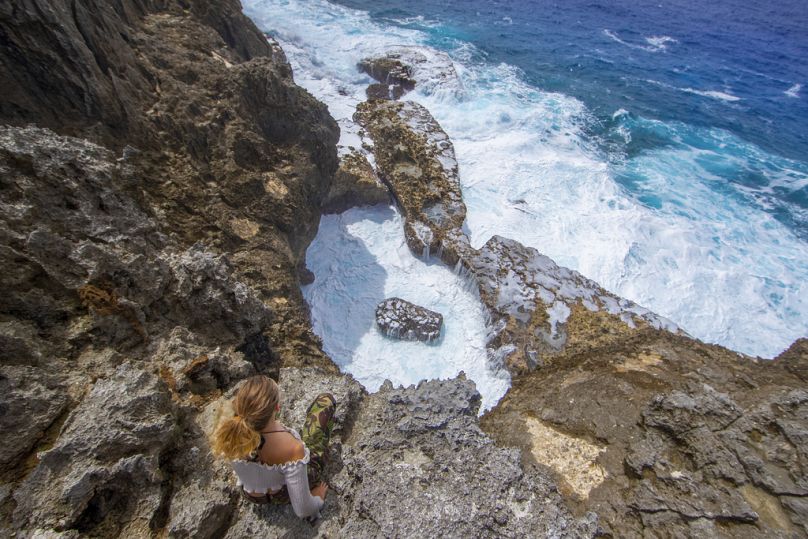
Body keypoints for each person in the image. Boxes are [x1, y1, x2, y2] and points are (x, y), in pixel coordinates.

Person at [212, 375, 336, 519]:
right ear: (277, 407)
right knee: (326, 401)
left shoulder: (231, 431)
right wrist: (317, 498)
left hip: (251, 494)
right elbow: (303, 510)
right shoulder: (293, 448)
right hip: (282, 494)